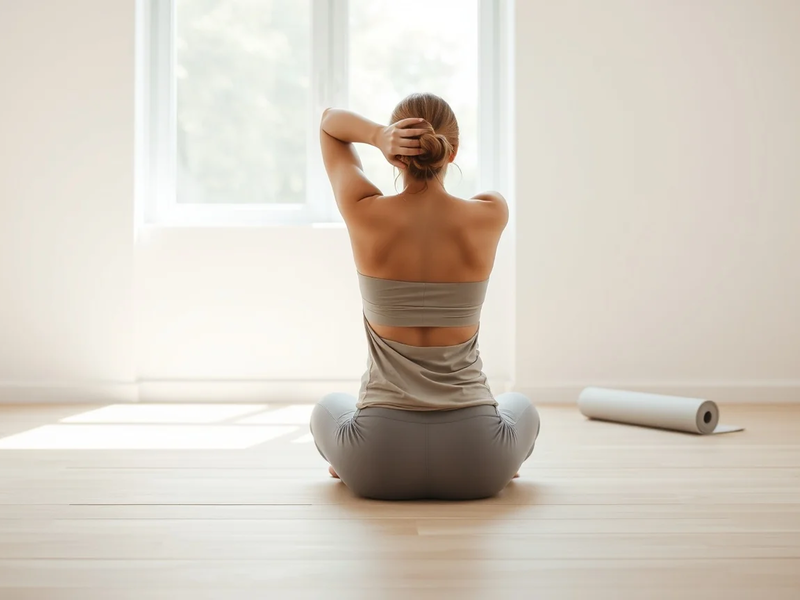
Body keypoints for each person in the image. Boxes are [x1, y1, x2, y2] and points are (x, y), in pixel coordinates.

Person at [310, 93, 539, 500]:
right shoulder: (490, 212)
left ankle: (344, 462)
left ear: (394, 158)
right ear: (452, 152)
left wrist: (377, 135)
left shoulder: (363, 210)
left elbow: (330, 122)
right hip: (480, 462)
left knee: (328, 406)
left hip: (376, 461)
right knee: (520, 404)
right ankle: (509, 465)